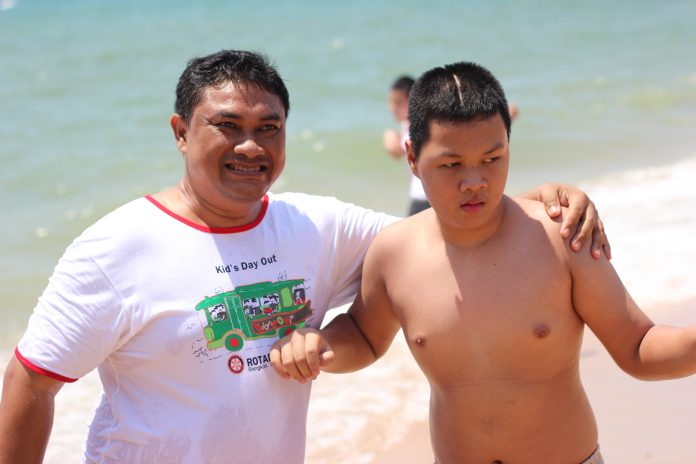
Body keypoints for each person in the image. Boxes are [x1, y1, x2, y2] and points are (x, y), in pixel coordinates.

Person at [0, 50, 608, 464]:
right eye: (228, 125)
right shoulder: (115, 248)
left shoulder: (317, 227)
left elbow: (444, 235)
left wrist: (542, 202)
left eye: (269, 127)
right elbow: (31, 380)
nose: (250, 145)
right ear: (181, 132)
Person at [270, 62, 696, 464]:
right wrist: (322, 345)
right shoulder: (394, 253)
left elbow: (638, 347)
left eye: (492, 159)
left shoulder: (562, 237)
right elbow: (364, 336)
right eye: (451, 164)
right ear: (413, 157)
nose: (474, 181)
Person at [383, 74, 518, 216]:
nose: (392, 108)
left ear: (411, 101)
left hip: (425, 198)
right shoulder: (414, 126)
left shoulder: (420, 129)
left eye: (397, 103)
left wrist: (389, 137)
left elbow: (395, 150)